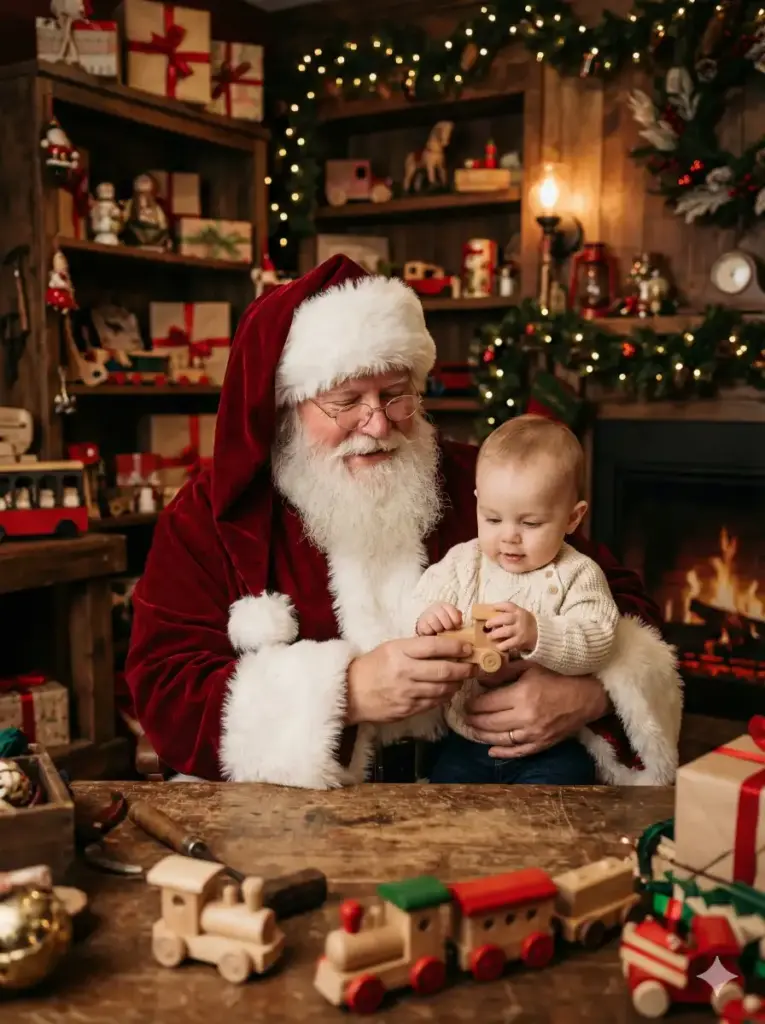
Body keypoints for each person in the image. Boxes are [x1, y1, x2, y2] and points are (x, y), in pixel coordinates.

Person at [125, 255, 683, 788]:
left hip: (483, 792)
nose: (377, 424)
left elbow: (622, 604)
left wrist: (587, 693)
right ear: (287, 407)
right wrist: (346, 691)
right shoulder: (210, 515)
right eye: (347, 401)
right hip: (302, 816)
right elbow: (164, 689)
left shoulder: (482, 486)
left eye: (395, 395)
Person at [414, 415, 628, 785]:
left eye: (530, 524)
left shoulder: (577, 573)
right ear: (478, 503)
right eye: (493, 519)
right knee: (444, 798)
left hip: (550, 747)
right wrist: (428, 618)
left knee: (565, 790)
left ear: (572, 518)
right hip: (466, 740)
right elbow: (419, 600)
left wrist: (538, 633)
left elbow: (601, 638)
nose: (509, 537)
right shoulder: (463, 563)